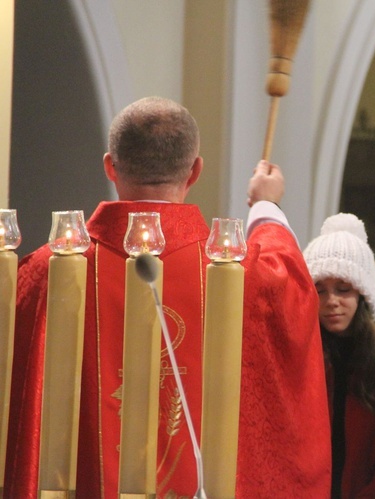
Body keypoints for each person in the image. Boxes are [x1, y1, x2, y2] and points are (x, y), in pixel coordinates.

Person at [4, 97, 331, 498]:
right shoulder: (240, 274)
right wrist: (267, 205)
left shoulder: (44, 273)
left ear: (110, 165)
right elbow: (290, 288)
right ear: (195, 170)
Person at [303, 213, 375, 498]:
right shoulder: (300, 363)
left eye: (343, 290)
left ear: (364, 296)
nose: (332, 301)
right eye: (320, 290)